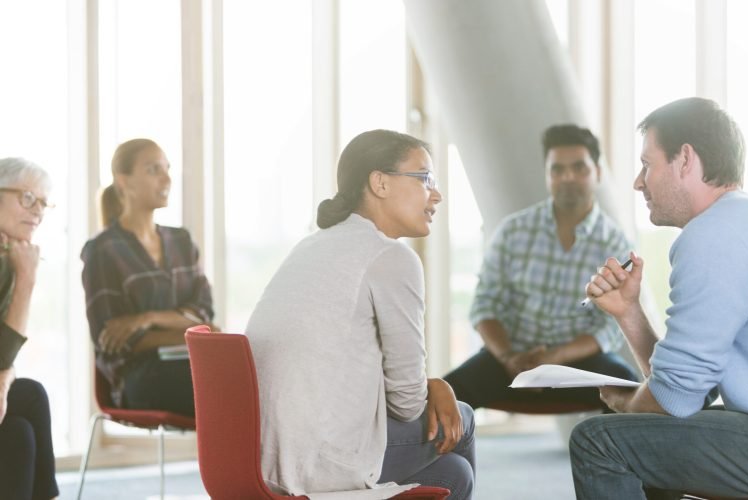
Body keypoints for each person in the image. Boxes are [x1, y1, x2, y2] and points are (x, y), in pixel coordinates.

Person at [570, 97, 748, 499]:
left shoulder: (713, 236)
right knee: (646, 439)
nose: (638, 182)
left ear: (686, 160)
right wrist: (629, 312)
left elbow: (673, 399)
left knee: (598, 440)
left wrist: (626, 403)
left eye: (647, 164)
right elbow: (689, 391)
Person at [245, 130, 475, 499]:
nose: (437, 194)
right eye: (424, 178)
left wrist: (430, 385)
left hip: (264, 455)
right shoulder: (390, 257)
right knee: (462, 420)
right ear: (380, 183)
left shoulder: (313, 245)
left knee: (451, 472)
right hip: (314, 463)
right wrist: (433, 386)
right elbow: (407, 404)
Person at [444, 124, 638, 411]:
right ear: (547, 175)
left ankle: (606, 456)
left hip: (577, 364)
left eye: (578, 168)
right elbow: (485, 305)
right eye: (557, 170)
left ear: (597, 172)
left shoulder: (615, 243)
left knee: (626, 387)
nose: (567, 177)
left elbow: (609, 327)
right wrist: (510, 358)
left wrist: (554, 357)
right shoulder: (513, 230)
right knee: (444, 397)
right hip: (509, 359)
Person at [81, 139, 214, 417]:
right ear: (124, 181)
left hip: (193, 363)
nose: (167, 178)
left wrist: (147, 319)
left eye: (167, 168)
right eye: (154, 169)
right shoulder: (104, 250)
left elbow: (204, 312)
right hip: (138, 377)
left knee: (246, 376)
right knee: (223, 387)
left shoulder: (181, 240)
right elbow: (112, 339)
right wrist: (185, 330)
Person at [0, 158, 59, 499]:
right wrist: (26, 281)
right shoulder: (15, 264)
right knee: (17, 434)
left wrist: (4, 380)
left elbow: (2, 361)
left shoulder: (10, 253)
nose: (37, 211)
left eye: (42, 202)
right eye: (26, 198)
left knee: (30, 398)